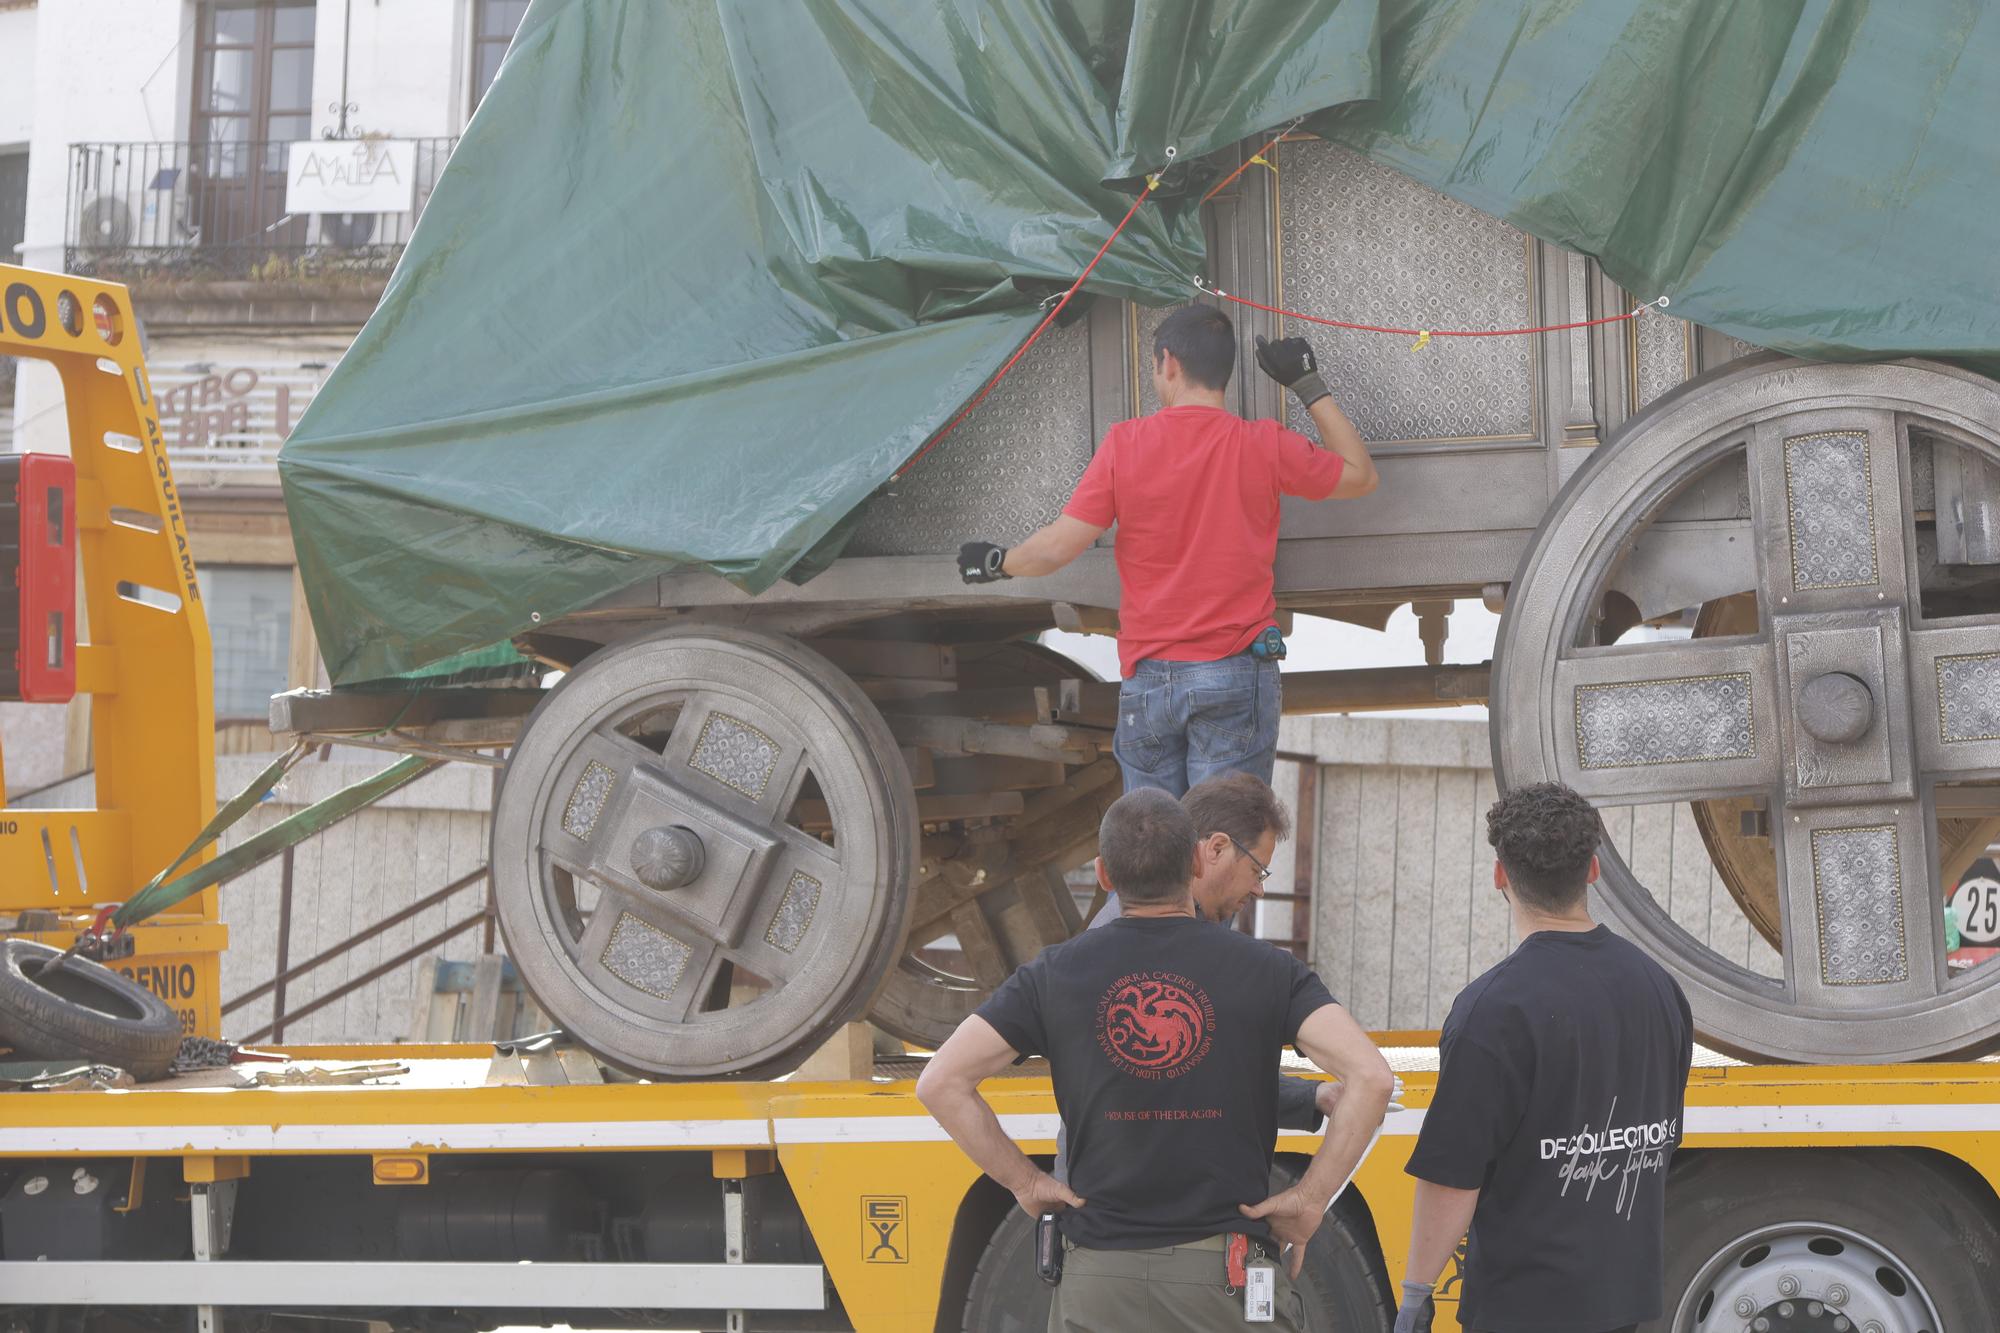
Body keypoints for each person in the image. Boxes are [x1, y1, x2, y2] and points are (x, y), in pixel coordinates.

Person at [916, 788, 1394, 1332]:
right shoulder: (1267, 971)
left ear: (1102, 874)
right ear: (1194, 861)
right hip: (1223, 1279)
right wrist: (1310, 1200)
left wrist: (1025, 1183)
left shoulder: (1051, 976)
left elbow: (941, 1082)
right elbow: (1371, 1078)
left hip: (1096, 1280)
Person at [955, 304, 1377, 796]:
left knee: (1156, 850)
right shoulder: (1262, 444)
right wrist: (1306, 384)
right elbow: (1361, 476)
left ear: (1168, 363)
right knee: (1223, 842)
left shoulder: (1125, 445)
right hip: (1235, 674)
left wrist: (998, 563)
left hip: (1150, 682)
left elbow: (1057, 547)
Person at [1395, 783, 1695, 1333]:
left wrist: (1415, 1296)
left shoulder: (1493, 1009)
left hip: (1523, 1310)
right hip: (1628, 1302)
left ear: (1500, 876)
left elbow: (1453, 1175)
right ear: (1594, 871)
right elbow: (1662, 1133)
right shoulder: (1659, 987)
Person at [1052, 772, 1344, 1183]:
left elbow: (1200, 1070)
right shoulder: (1152, 946)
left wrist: (1312, 1096)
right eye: (1258, 870)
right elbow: (1185, 1079)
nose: (1258, 890)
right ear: (1215, 849)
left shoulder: (1123, 936)